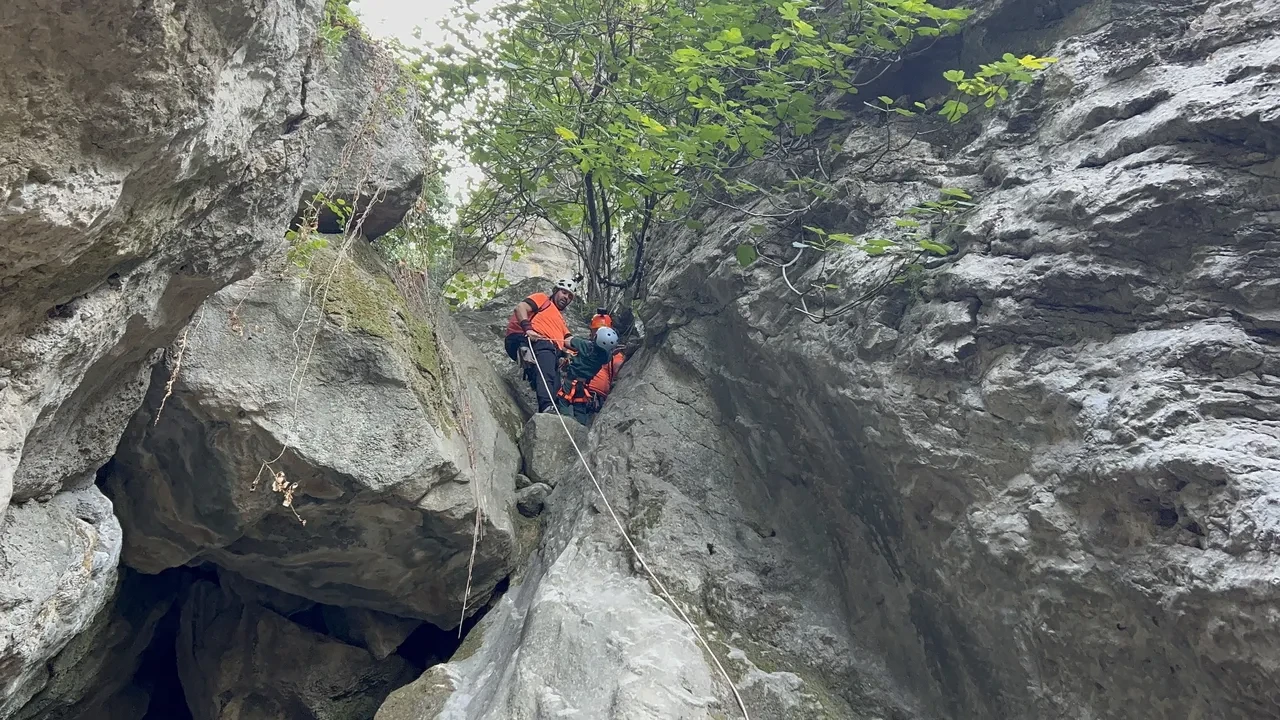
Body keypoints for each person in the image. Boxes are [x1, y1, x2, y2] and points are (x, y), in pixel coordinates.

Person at [504, 278, 576, 413]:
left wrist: (585, 346)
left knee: (555, 381)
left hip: (550, 348)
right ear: (555, 291)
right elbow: (521, 308)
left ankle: (552, 408)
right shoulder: (542, 299)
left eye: (570, 296)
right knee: (546, 369)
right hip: (534, 340)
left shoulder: (560, 320)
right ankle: (546, 406)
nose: (566, 297)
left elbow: (568, 340)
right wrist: (528, 329)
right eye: (564, 292)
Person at [557, 325, 625, 425]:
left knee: (563, 400)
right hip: (583, 385)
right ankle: (581, 427)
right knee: (579, 404)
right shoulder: (605, 358)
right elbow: (610, 354)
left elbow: (568, 341)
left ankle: (565, 423)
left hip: (571, 380)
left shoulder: (585, 345)